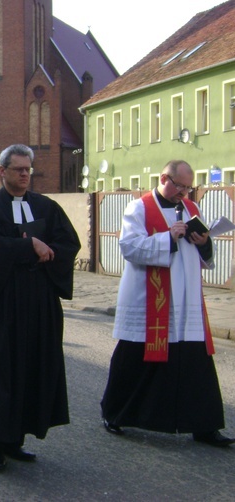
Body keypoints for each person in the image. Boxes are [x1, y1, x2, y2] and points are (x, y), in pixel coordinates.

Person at [0, 144, 81, 472]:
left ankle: (16, 438)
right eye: (18, 169)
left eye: (28, 169)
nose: (25, 174)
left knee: (30, 369)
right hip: (0, 308)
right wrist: (27, 246)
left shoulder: (46, 207)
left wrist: (46, 251)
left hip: (37, 305)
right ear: (3, 171)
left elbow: (68, 243)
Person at [100, 160, 234, 447]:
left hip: (186, 301)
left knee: (195, 364)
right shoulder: (140, 208)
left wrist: (204, 242)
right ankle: (115, 413)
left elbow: (205, 257)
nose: (184, 193)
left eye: (188, 187)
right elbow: (129, 247)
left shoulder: (192, 209)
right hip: (149, 300)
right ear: (164, 178)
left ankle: (204, 426)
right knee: (134, 358)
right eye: (180, 186)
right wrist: (168, 238)